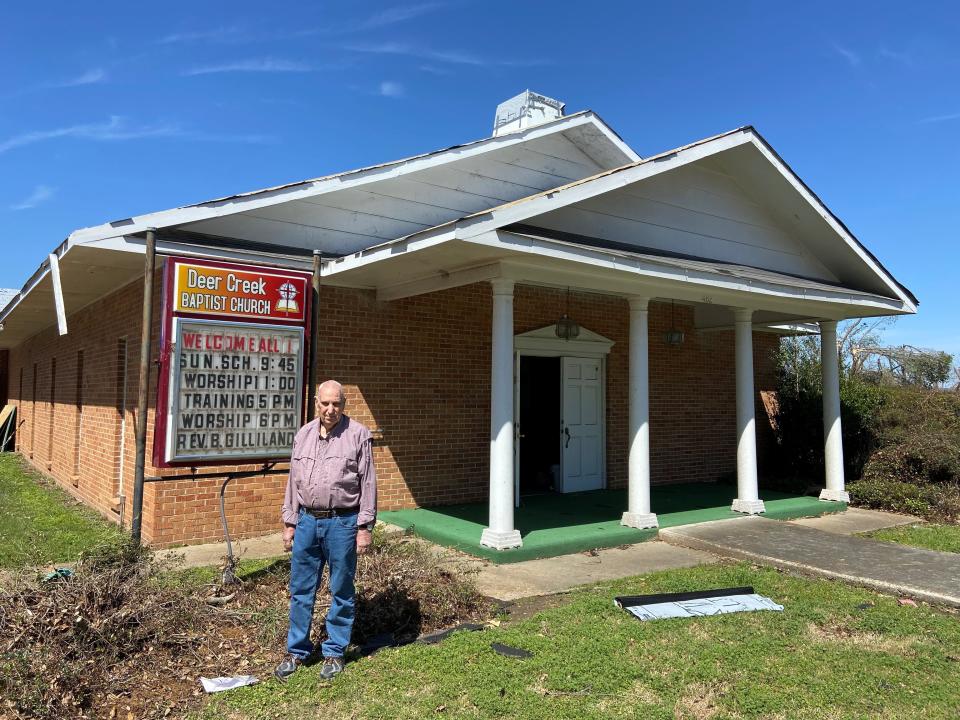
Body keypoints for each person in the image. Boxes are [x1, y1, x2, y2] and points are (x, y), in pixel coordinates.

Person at [274, 379, 376, 681]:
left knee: (341, 589)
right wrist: (290, 522)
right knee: (301, 589)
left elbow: (368, 483)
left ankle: (333, 652)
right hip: (306, 520)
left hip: (342, 522)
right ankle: (297, 651)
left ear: (344, 405)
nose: (330, 409)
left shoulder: (358, 435)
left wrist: (365, 526)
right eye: (325, 403)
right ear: (316, 402)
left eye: (336, 404)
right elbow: (293, 480)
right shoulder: (303, 434)